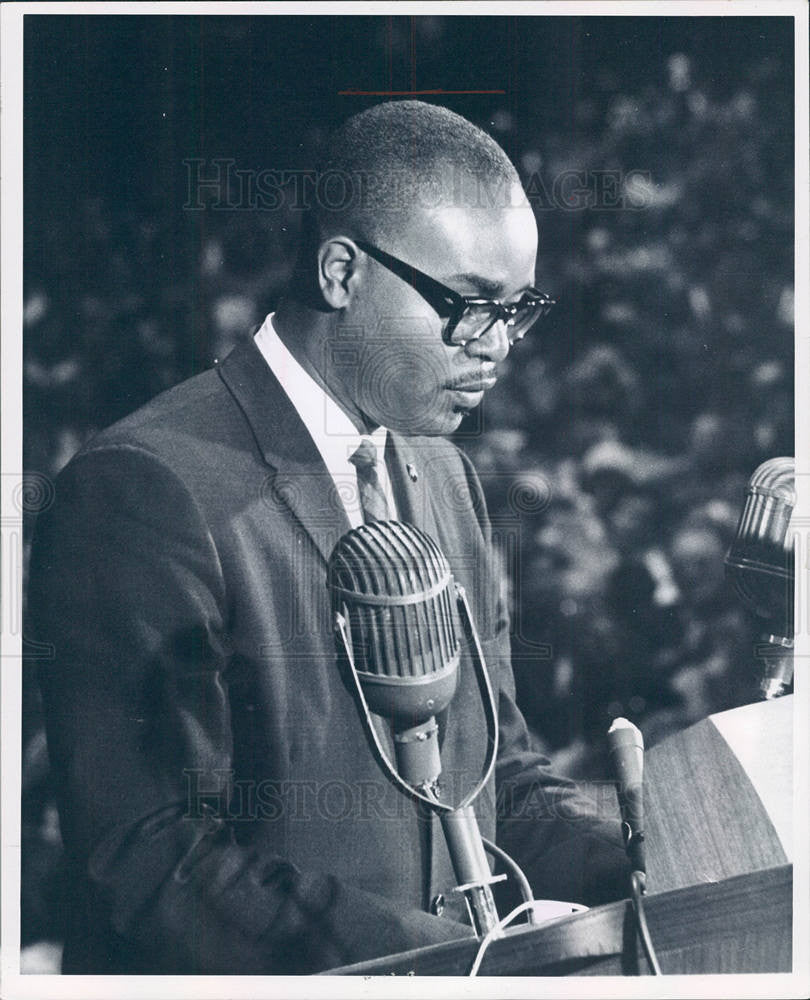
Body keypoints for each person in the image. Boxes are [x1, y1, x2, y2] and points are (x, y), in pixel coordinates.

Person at [28, 101, 629, 975]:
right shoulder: (141, 486)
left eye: (520, 307)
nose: (499, 347)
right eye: (470, 305)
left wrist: (658, 867)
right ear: (342, 272)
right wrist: (463, 960)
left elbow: (497, 781)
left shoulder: (446, 473)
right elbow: (153, 859)